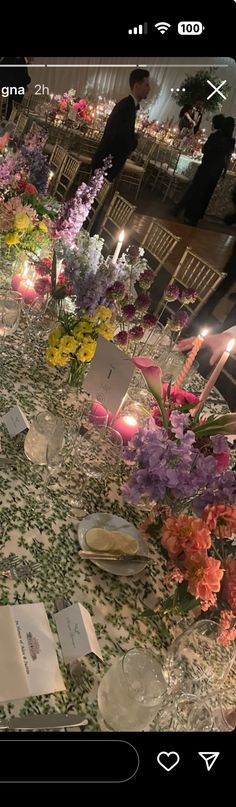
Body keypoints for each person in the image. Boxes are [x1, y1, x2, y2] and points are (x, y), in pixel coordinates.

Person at [172, 114, 234, 226]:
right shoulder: (230, 141)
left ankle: (184, 212)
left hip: (206, 168)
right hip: (216, 172)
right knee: (205, 195)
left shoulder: (215, 136)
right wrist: (224, 172)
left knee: (195, 190)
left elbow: (205, 150)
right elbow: (227, 159)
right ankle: (193, 218)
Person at [90, 68, 150, 182]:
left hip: (107, 161)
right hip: (106, 162)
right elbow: (119, 137)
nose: (149, 89)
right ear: (137, 86)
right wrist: (134, 140)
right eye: (146, 85)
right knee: (93, 196)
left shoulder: (128, 105)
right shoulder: (127, 107)